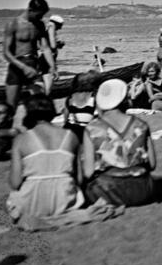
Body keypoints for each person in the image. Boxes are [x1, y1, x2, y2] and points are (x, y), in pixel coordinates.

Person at [7, 95, 119, 231]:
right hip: (65, 199)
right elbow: (78, 179)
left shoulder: (21, 139)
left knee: (14, 197)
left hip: (33, 202)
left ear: (28, 112)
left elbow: (15, 182)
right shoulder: (70, 135)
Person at [81, 79, 157, 207]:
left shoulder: (91, 129)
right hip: (143, 190)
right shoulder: (141, 125)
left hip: (108, 193)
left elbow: (88, 172)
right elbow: (152, 164)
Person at [2, 0, 58, 108]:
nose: (41, 17)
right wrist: (23, 67)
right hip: (17, 66)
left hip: (33, 65)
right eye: (39, 15)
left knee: (39, 105)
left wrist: (53, 66)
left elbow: (45, 48)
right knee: (11, 107)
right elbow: (6, 53)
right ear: (30, 10)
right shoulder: (13, 24)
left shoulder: (39, 25)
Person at [42, 15, 65, 94]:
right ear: (56, 24)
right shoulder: (51, 27)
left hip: (44, 56)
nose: (60, 28)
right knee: (49, 78)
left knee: (44, 77)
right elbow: (53, 45)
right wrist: (59, 44)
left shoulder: (46, 26)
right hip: (49, 57)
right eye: (60, 26)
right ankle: (46, 97)